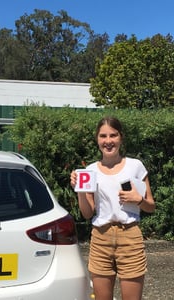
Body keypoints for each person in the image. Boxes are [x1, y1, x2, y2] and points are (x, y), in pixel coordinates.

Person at [70, 116, 155, 300]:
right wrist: (79, 190)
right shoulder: (90, 170)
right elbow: (87, 213)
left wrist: (138, 199)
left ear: (121, 138)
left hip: (130, 237)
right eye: (103, 136)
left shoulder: (135, 166)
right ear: (97, 139)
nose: (108, 141)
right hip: (101, 238)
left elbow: (151, 206)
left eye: (113, 135)